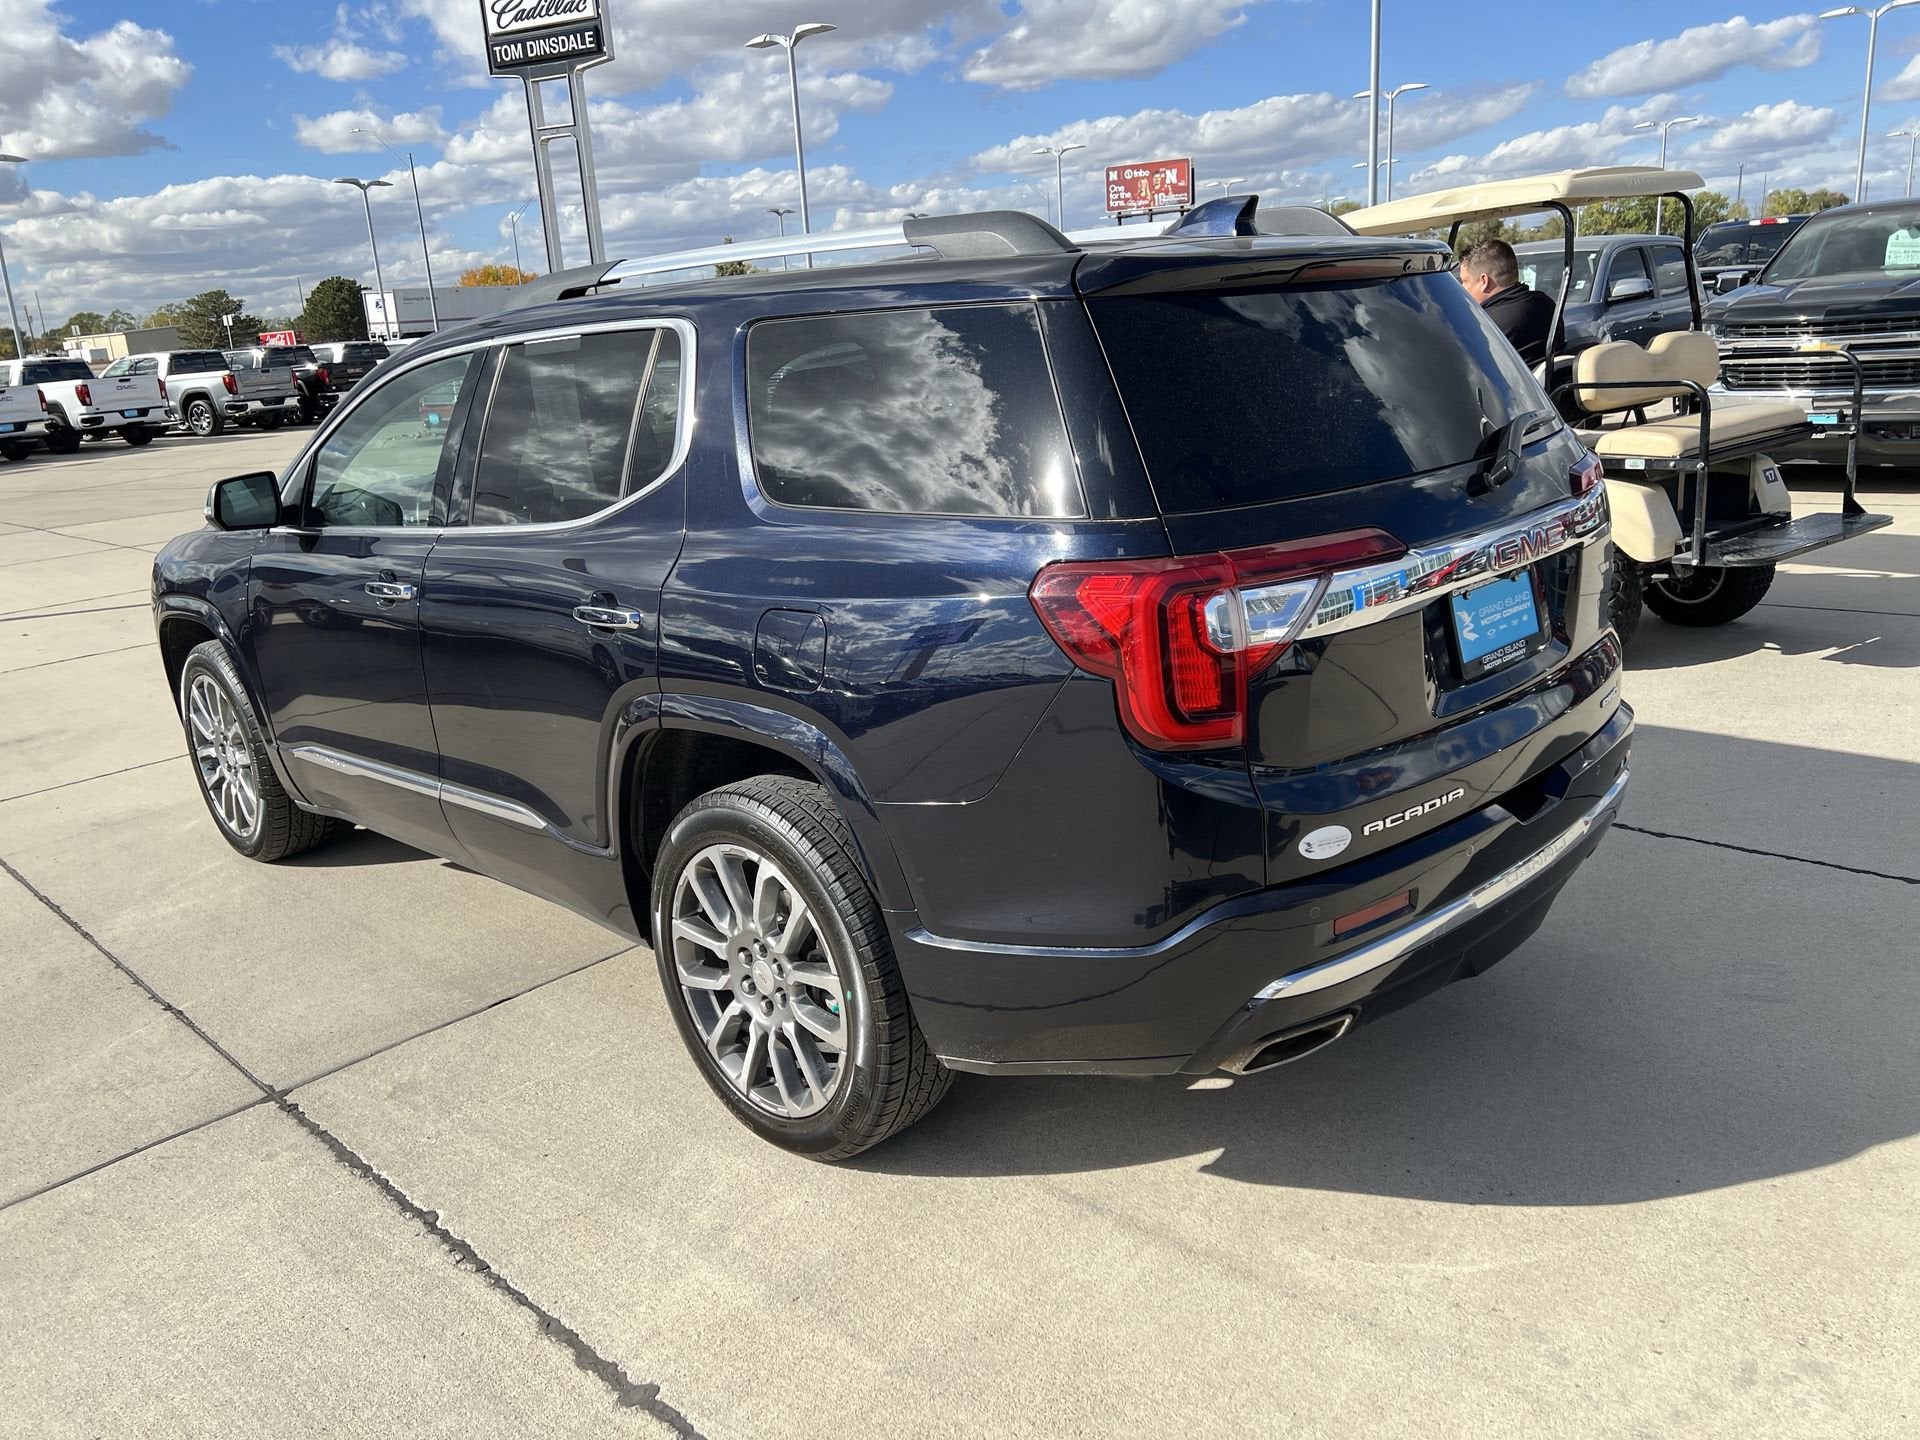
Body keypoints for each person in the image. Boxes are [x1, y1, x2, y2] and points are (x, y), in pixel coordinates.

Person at [1457, 239, 1556, 366]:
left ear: (1484, 281)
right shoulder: (1546, 304)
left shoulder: (1485, 325)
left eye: (1465, 281)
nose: (1461, 288)